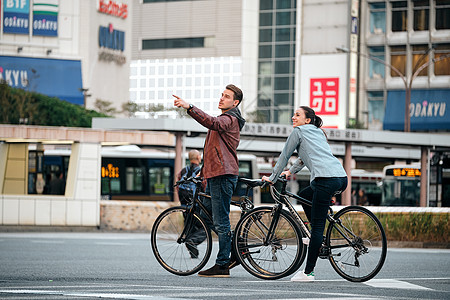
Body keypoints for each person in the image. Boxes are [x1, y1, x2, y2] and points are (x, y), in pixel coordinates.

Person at [262, 106, 348, 282]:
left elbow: (284, 155)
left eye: (297, 115)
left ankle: (308, 273)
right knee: (304, 194)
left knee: (317, 227)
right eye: (294, 115)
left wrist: (273, 177)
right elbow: (304, 157)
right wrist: (290, 171)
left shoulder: (299, 131)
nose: (293, 117)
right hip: (341, 177)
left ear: (307, 120)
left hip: (325, 180)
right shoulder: (318, 132)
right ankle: (314, 236)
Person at [173, 84, 245, 278]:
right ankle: (233, 249)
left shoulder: (229, 119)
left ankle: (223, 264)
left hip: (223, 175)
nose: (222, 98)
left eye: (227, 96)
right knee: (204, 215)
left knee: (221, 221)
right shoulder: (226, 118)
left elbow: (211, 122)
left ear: (235, 102)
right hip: (215, 174)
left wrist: (189, 107)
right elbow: (213, 151)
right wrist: (202, 172)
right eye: (222, 95)